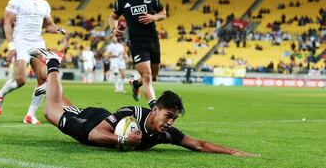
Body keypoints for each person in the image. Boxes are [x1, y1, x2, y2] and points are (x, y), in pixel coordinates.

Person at [30, 48, 259, 156]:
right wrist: (123, 139)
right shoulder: (133, 113)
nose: (170, 122)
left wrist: (231, 152)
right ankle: (52, 63)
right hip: (89, 125)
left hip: (98, 118)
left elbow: (199, 144)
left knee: (58, 101)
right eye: (168, 115)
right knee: (51, 110)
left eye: (174, 118)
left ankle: (44, 78)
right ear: (155, 109)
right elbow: (94, 135)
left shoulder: (165, 133)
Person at [0, 0, 65, 125]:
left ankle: (30, 115)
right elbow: (7, 23)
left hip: (37, 43)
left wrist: (57, 29)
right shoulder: (16, 0)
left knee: (43, 79)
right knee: (21, 80)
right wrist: (11, 46)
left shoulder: (44, 3)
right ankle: (0, 94)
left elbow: (49, 24)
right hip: (20, 42)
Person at [109, 0, 167, 108]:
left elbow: (163, 13)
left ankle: (135, 84)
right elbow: (112, 17)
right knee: (147, 76)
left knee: (154, 76)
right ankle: (154, 107)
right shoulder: (122, 0)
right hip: (136, 42)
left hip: (153, 40)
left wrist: (153, 17)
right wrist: (113, 29)